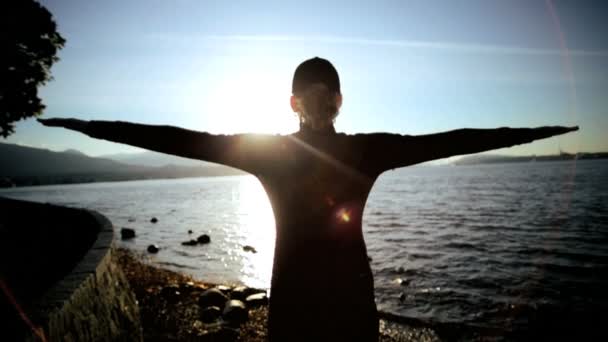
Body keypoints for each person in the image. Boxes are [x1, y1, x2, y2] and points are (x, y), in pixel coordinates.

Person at [39, 57, 578, 341]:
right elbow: (176, 138)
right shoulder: (268, 153)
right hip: (293, 306)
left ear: (339, 102)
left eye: (328, 98)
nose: (319, 108)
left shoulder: (367, 152)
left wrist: (532, 131)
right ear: (295, 102)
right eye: (310, 98)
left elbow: (454, 140)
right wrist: (90, 125)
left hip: (351, 304)